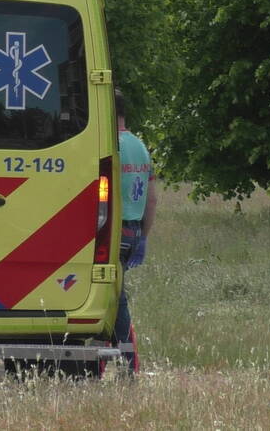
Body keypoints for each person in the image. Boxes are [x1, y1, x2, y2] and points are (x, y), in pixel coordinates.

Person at [113, 89, 157, 373]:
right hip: (133, 231)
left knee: (113, 302)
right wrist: (144, 236)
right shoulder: (140, 146)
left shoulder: (109, 145)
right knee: (114, 298)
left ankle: (128, 365)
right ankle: (120, 364)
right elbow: (152, 197)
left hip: (112, 231)